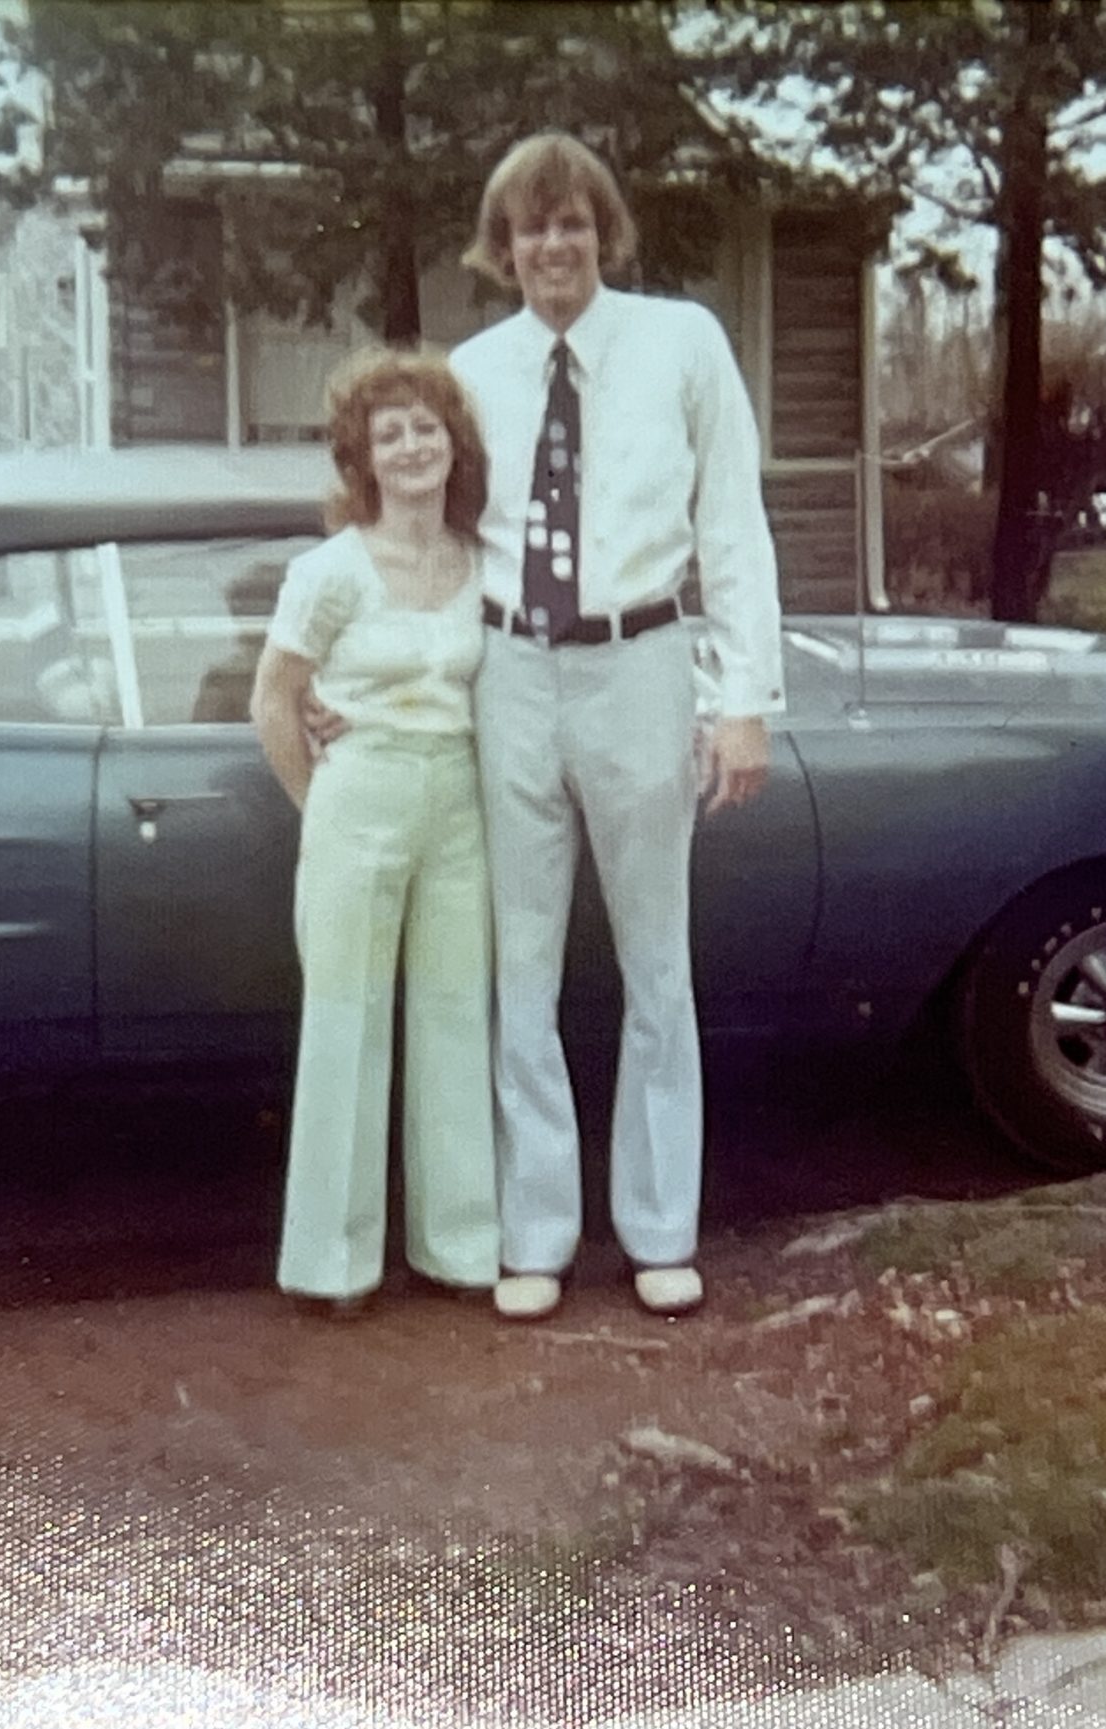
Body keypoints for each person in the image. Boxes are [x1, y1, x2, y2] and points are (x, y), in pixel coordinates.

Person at [450, 131, 785, 1321]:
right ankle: (533, 1235)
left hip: (638, 662)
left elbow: (732, 522)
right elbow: (429, 542)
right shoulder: (473, 369)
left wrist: (739, 700)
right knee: (520, 967)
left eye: (573, 222)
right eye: (531, 228)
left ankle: (658, 1230)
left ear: (604, 233)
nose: (554, 245)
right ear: (503, 248)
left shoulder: (680, 344)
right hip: (508, 672)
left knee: (656, 963)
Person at [250, 349, 501, 1312]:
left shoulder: (481, 565)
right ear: (362, 458)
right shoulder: (331, 571)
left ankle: (460, 1249)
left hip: (460, 802)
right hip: (360, 794)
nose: (409, 447)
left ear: (453, 444)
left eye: (425, 427)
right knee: (347, 1023)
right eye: (387, 433)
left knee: (451, 1015)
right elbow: (273, 701)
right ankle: (333, 1264)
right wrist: (324, 806)